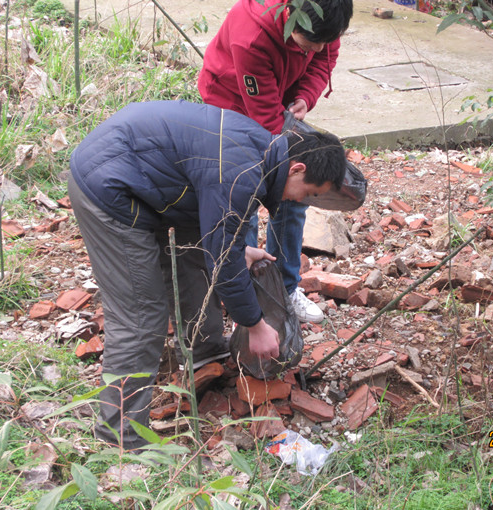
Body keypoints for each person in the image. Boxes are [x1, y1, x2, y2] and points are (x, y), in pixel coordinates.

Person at [68, 99, 346, 450]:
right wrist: (255, 325)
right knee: (141, 315)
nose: (301, 200)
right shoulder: (242, 174)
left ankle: (205, 353)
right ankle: (120, 437)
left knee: (194, 260)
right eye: (309, 193)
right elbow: (225, 263)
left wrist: (238, 250)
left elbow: (219, 231)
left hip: (148, 177)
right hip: (109, 185)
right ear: (297, 169)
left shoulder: (261, 151)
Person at [198, 0, 353, 324]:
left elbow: (324, 60)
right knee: (244, 197)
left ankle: (284, 288)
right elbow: (266, 118)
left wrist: (305, 96)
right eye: (311, 43)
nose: (319, 49)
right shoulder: (252, 35)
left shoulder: (325, 17)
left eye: (326, 40)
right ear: (289, 16)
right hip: (230, 106)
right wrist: (286, 162)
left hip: (279, 99)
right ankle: (247, 294)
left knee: (297, 194)